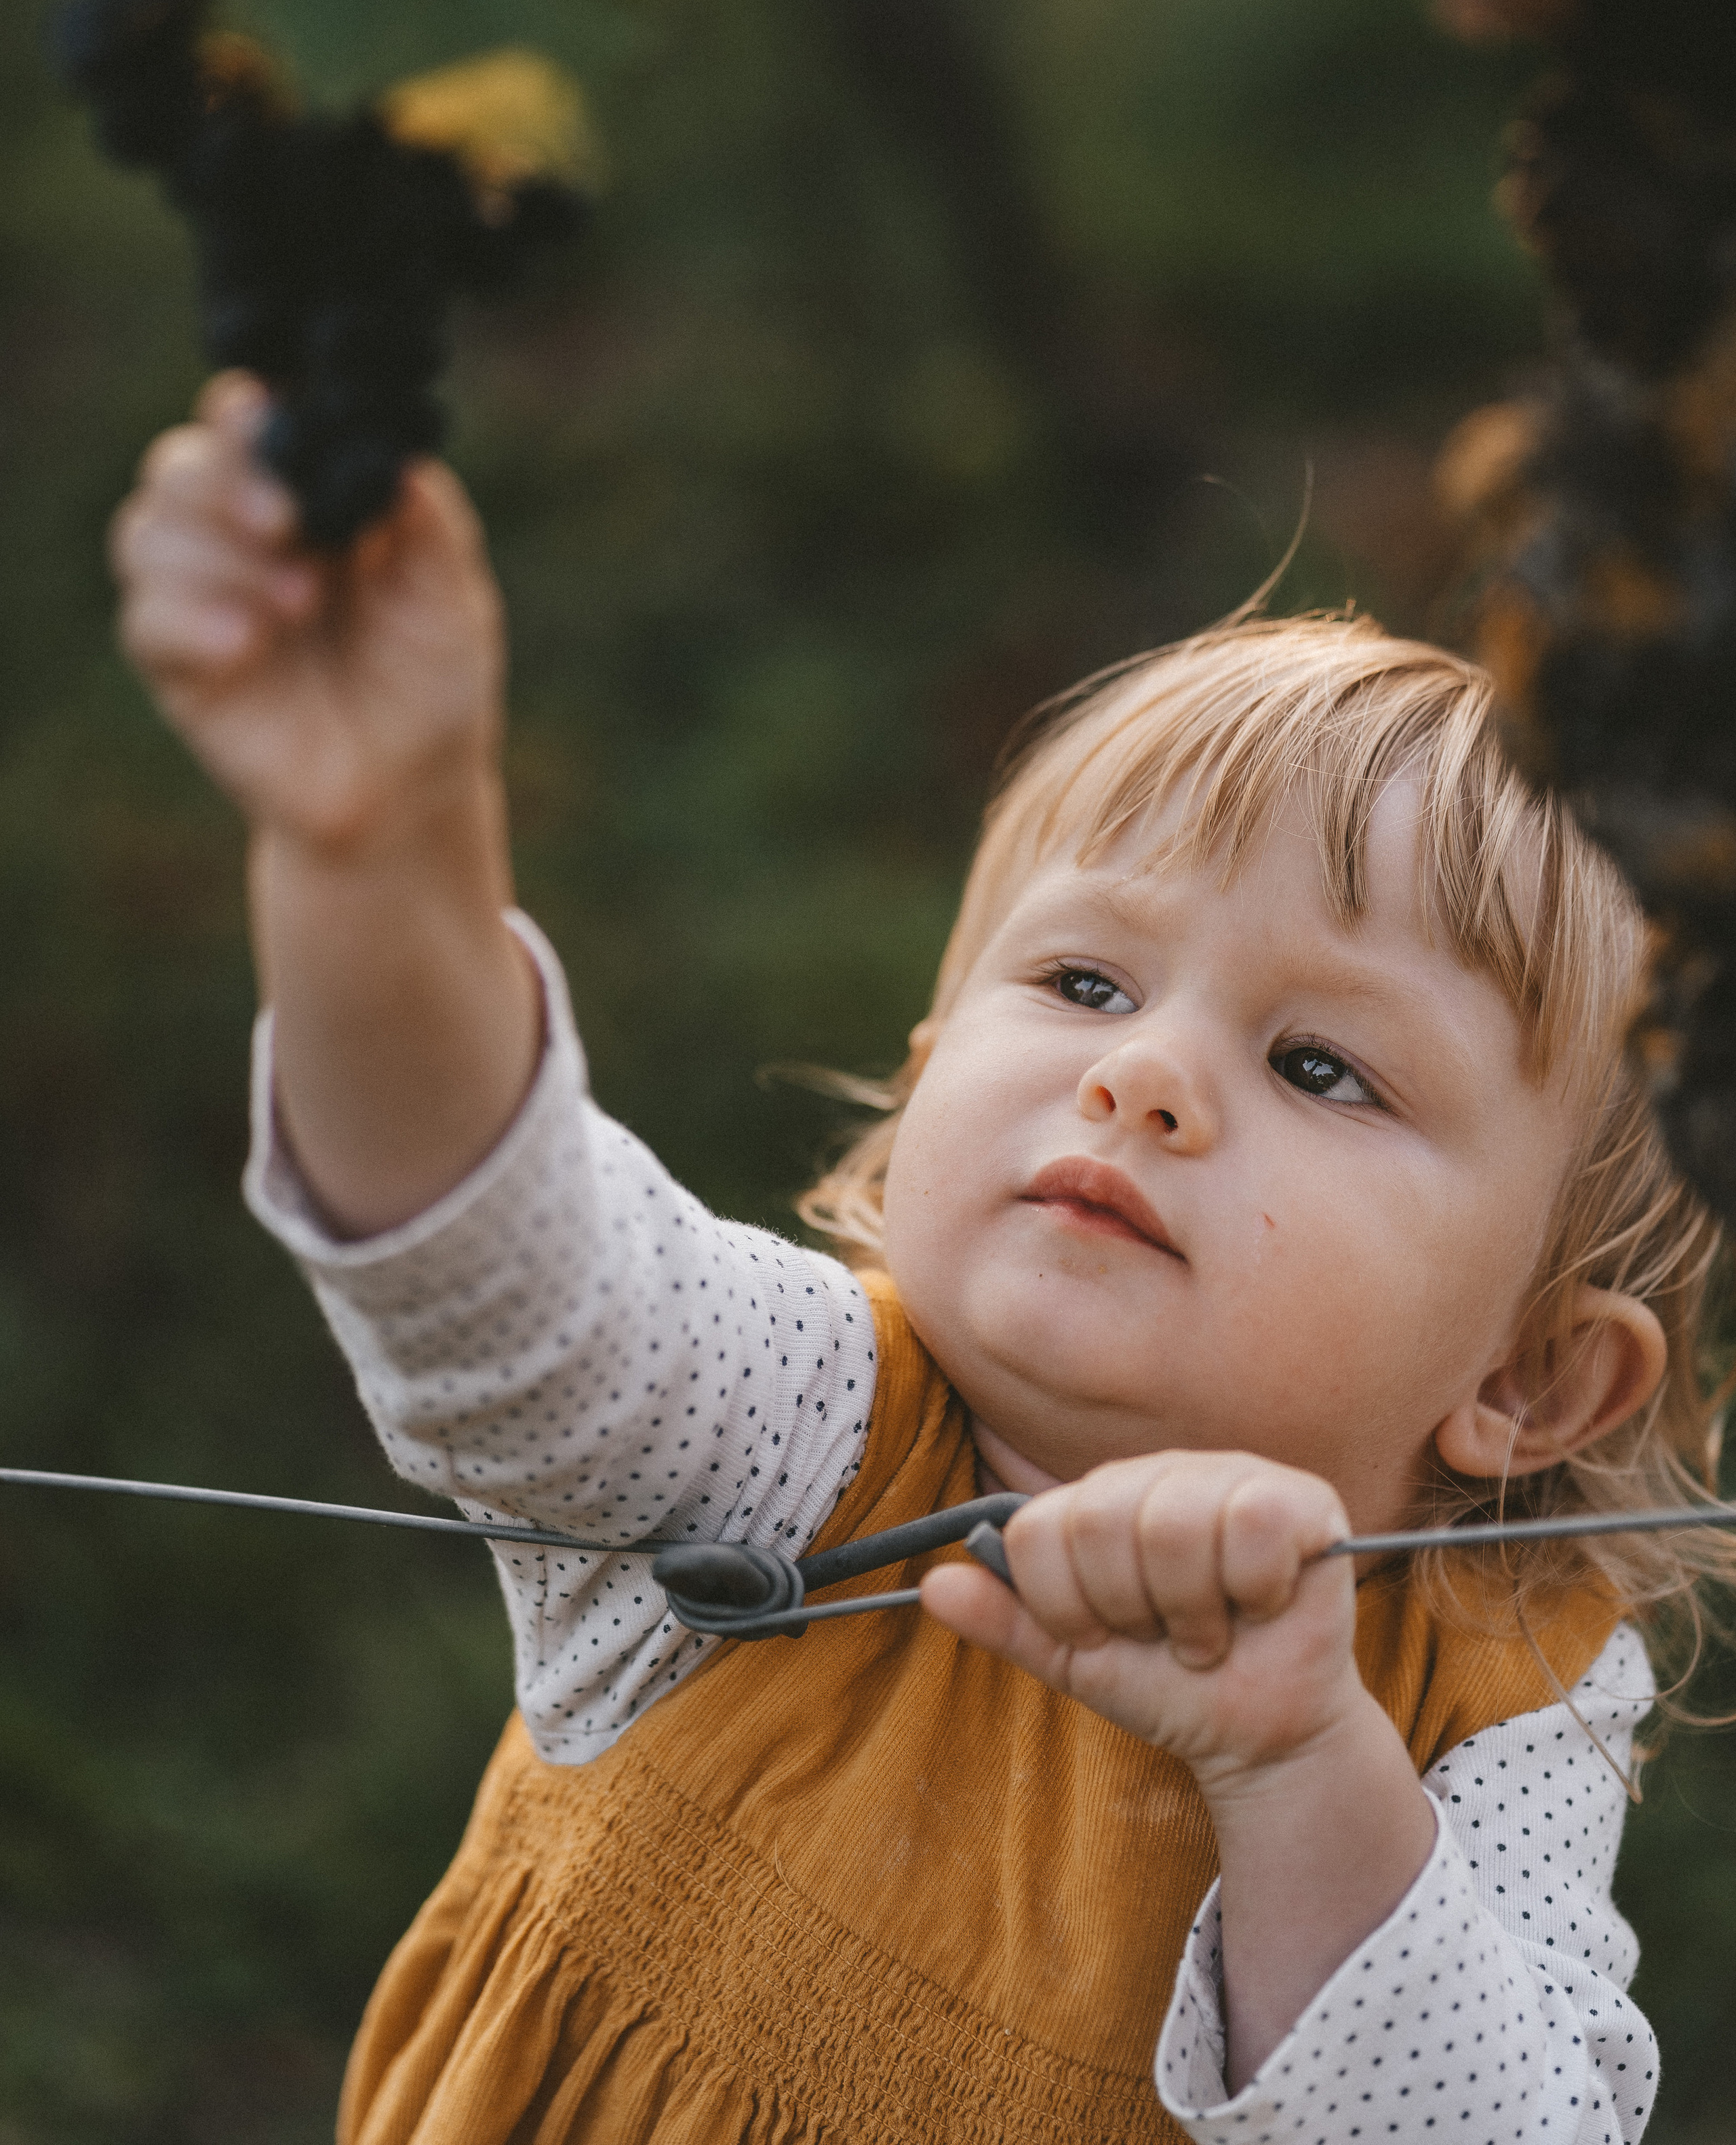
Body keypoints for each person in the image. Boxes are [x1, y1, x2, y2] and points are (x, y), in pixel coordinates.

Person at [109, 371, 1731, 2145]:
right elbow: (492, 1257)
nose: (1145, 1073)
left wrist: (1299, 1763)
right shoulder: (793, 1430)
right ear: (930, 1060)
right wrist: (373, 848)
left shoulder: (1497, 1703)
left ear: (1529, 1379)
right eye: (1085, 982)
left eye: (1321, 1065)